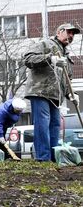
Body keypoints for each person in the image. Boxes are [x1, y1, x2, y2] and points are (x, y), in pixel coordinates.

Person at [23, 22, 81, 162]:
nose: (71, 36)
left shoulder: (66, 55)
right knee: (43, 122)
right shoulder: (45, 44)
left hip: (56, 95)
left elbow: (66, 79)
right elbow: (28, 59)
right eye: (69, 32)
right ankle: (43, 157)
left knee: (55, 124)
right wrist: (50, 58)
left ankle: (55, 156)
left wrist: (72, 95)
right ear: (59, 32)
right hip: (40, 91)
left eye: (73, 34)